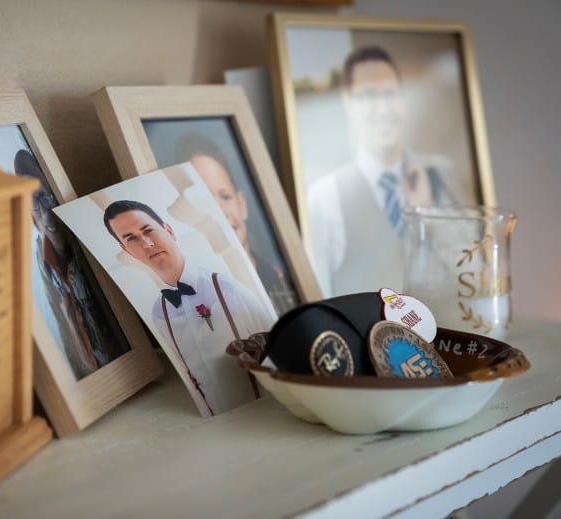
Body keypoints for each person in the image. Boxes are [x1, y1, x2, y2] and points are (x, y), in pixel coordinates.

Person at [306, 45, 465, 296]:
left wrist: (428, 213)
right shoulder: (325, 195)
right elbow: (319, 295)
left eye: (391, 94)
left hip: (446, 332)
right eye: (369, 96)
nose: (384, 109)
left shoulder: (439, 172)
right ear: (348, 103)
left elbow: (474, 273)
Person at [103, 199, 274, 416]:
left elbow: (274, 355)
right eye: (132, 239)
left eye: (148, 230)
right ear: (126, 249)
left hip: (263, 416)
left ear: (169, 230)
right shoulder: (159, 313)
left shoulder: (226, 288)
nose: (146, 243)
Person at [14, 150, 128, 378]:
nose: (45, 213)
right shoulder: (40, 258)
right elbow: (63, 326)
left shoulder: (88, 241)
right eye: (34, 202)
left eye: (47, 197)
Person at [173, 133, 298, 314]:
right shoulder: (200, 299)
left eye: (226, 197)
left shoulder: (283, 282)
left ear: (242, 204)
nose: (221, 212)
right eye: (203, 200)